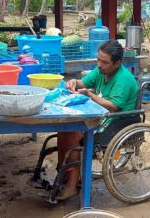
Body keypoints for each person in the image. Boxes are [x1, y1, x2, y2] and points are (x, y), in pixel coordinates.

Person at [53, 40, 138, 201]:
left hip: (115, 122)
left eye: (104, 62)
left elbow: (113, 106)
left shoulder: (124, 79)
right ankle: (64, 173)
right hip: (100, 116)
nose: (99, 64)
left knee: (73, 136)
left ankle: (72, 185)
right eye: (98, 59)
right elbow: (83, 83)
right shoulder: (102, 71)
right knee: (64, 129)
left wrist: (89, 95)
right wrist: (74, 82)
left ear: (117, 63)